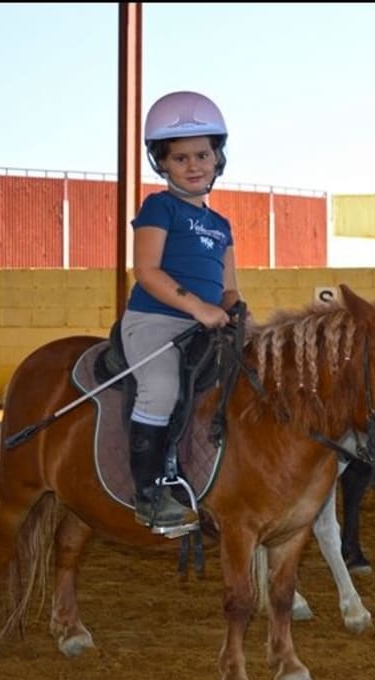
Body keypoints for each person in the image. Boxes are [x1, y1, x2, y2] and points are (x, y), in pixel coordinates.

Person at [124, 90, 240, 537]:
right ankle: (149, 492)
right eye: (180, 158)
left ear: (217, 159)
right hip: (156, 322)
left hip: (207, 324)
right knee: (162, 386)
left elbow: (229, 288)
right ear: (163, 164)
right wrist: (197, 307)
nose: (194, 165)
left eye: (202, 155)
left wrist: (235, 312)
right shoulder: (159, 207)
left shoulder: (221, 225)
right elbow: (147, 270)